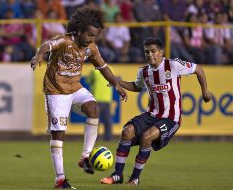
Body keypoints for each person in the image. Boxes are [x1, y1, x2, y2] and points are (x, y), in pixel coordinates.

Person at [30, 5, 128, 189]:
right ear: (80, 30)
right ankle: (60, 180)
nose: (92, 39)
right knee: (58, 133)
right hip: (56, 91)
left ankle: (85, 157)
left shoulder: (91, 47)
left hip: (75, 88)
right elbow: (46, 46)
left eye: (95, 36)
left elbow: (103, 67)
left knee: (93, 108)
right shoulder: (65, 41)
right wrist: (39, 56)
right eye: (89, 34)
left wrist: (116, 84)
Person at [100, 37, 211, 185]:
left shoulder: (172, 65)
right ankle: (117, 175)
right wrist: (117, 81)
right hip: (151, 114)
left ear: (160, 52)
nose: (150, 55)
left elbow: (198, 69)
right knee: (126, 132)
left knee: (147, 137)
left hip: (171, 118)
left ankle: (134, 178)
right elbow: (137, 87)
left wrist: (205, 92)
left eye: (153, 51)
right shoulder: (144, 71)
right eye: (147, 52)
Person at [87, 68, 113, 141]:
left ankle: (94, 137)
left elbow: (88, 81)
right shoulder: (110, 69)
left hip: (97, 98)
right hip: (107, 98)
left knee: (94, 119)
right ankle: (108, 137)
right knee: (107, 120)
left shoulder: (94, 71)